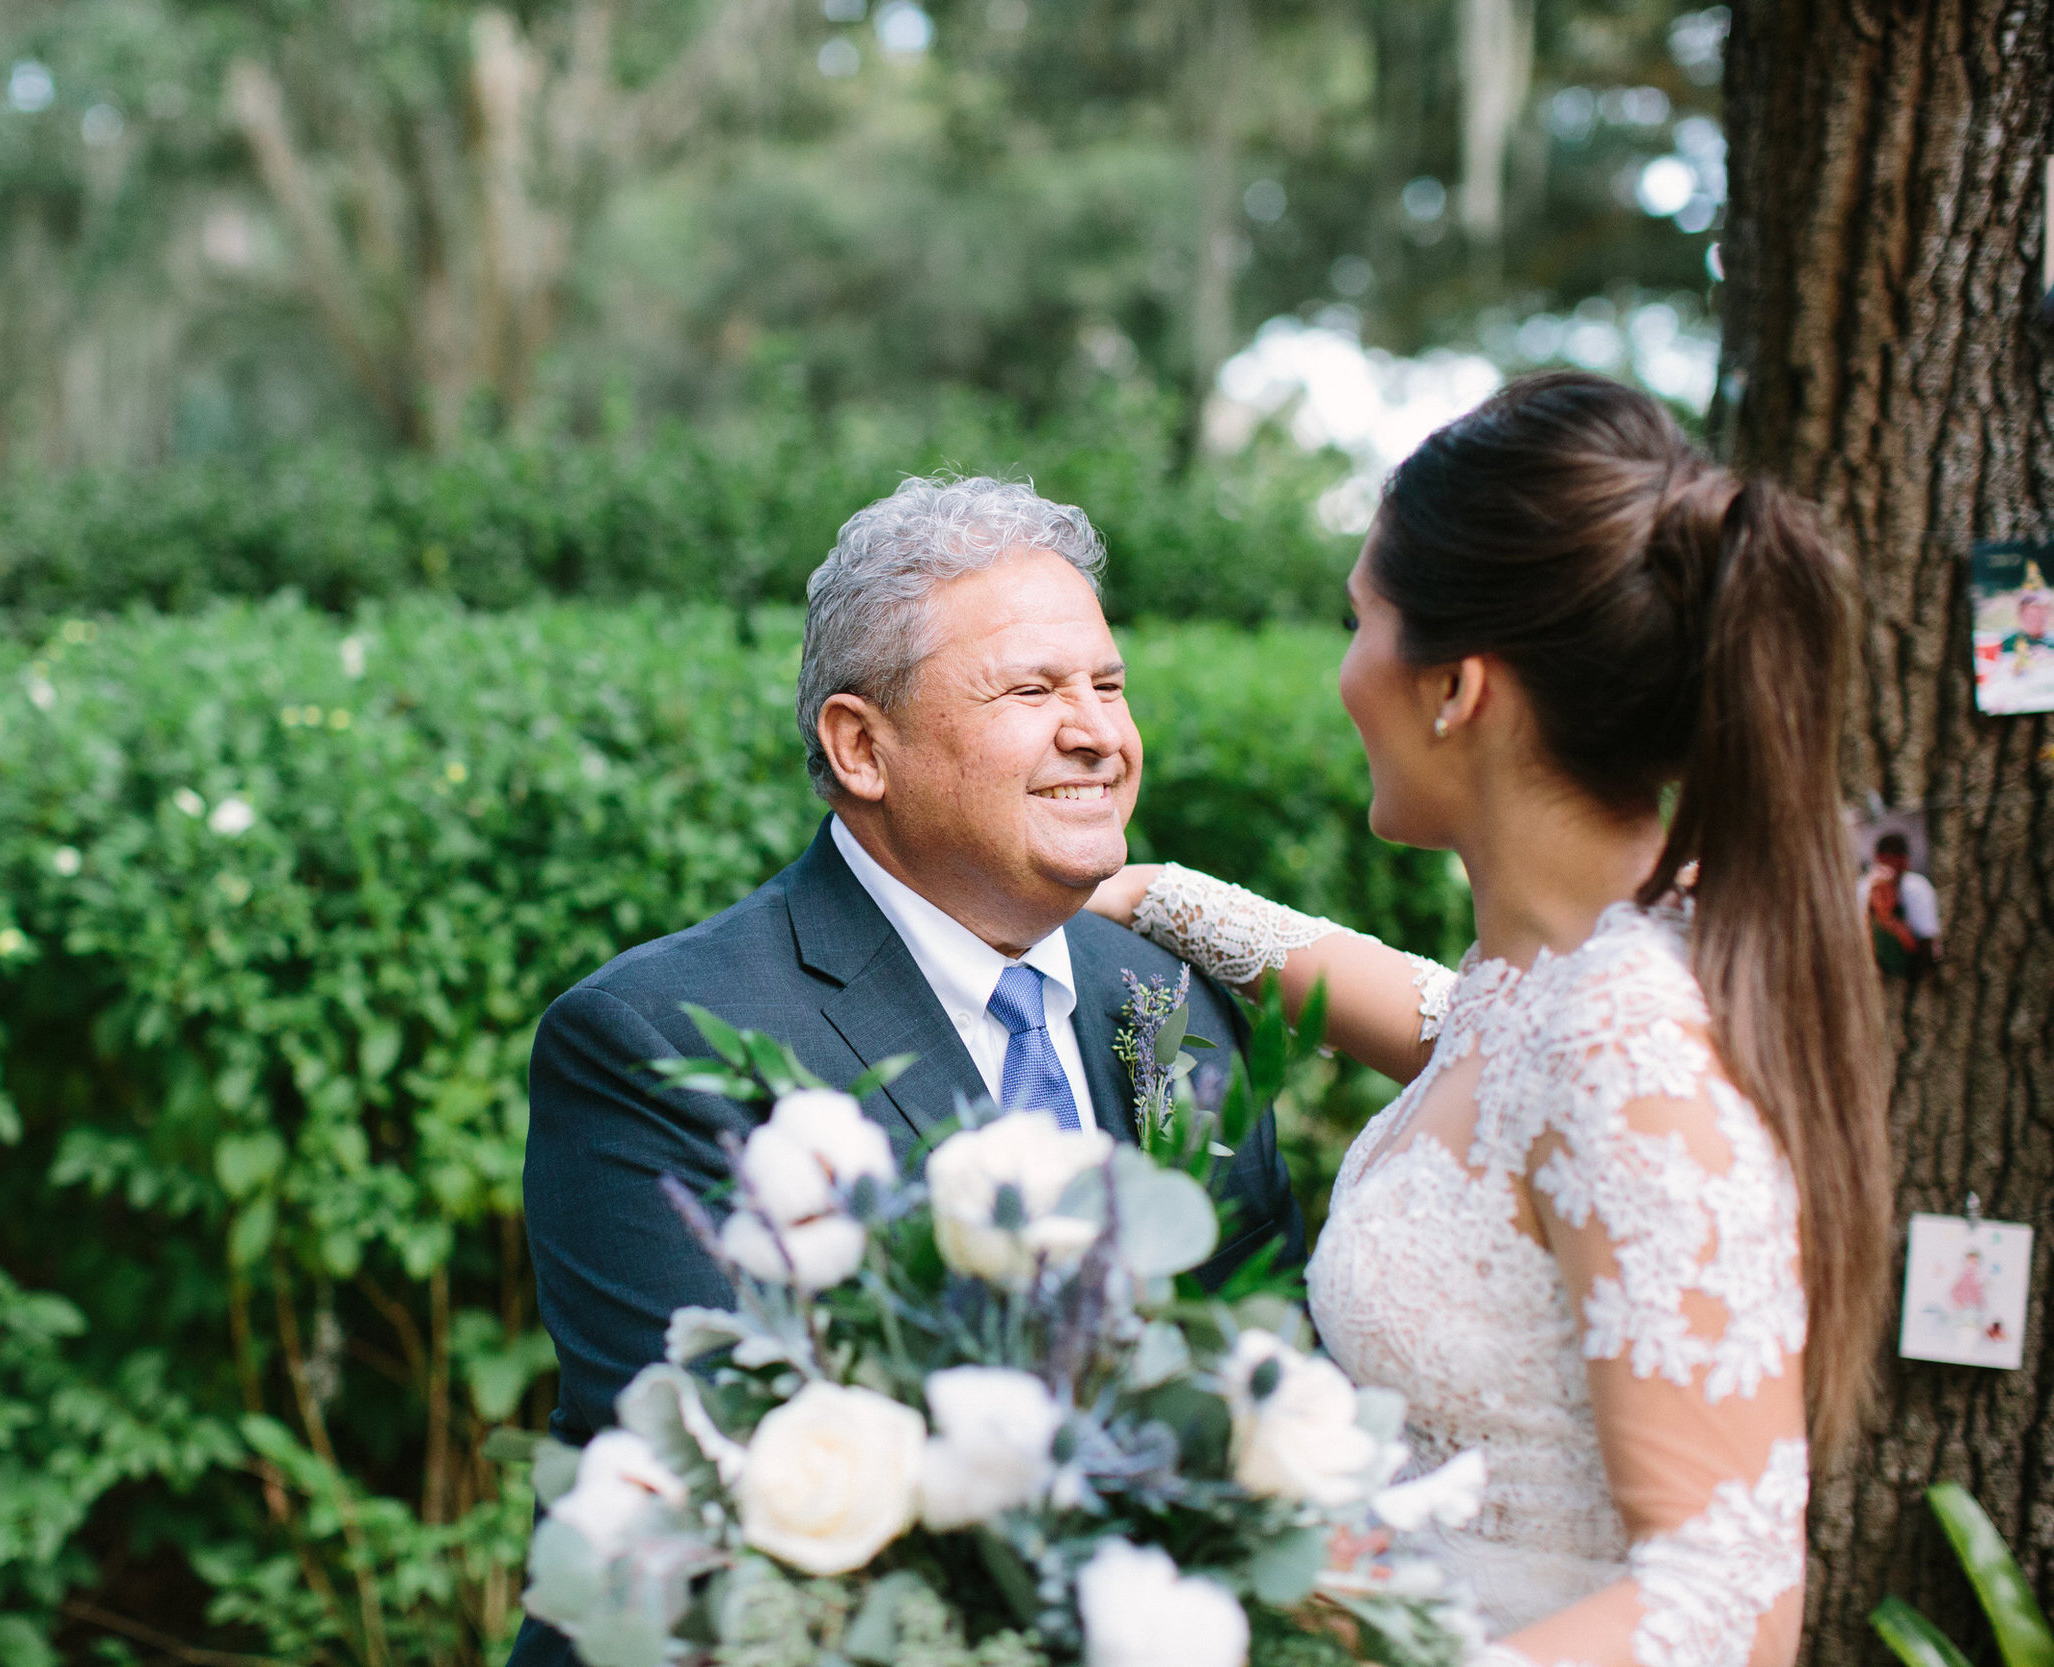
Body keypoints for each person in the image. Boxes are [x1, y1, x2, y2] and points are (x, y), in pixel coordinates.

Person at [1087, 373, 1891, 1667]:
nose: (1345, 670)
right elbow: (1452, 1030)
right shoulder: (1559, 982)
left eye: (1360, 620)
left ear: (1457, 686)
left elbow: (1731, 1600)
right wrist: (1154, 894)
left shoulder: (1630, 1044)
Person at [513, 477, 1306, 1667]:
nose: (1098, 731)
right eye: (1031, 690)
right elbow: (742, 1511)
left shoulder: (1174, 1004)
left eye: (1107, 683)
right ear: (860, 746)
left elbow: (1274, 1379)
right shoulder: (654, 1038)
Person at [1857, 832, 1939, 973]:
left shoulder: (1917, 887)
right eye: (1887, 857)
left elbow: (1923, 944)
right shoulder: (1863, 888)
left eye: (1897, 856)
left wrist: (1890, 922)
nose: (1892, 862)